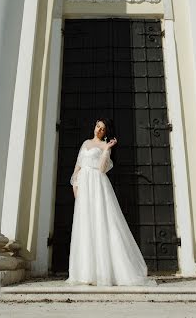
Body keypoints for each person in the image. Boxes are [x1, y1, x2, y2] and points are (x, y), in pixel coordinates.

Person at [67, 118, 155, 286]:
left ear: (106, 132)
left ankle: (104, 272)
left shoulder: (104, 147)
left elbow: (101, 169)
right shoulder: (85, 143)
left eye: (102, 128)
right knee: (85, 226)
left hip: (97, 184)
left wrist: (107, 149)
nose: (99, 130)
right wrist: (75, 185)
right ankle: (85, 272)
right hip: (83, 185)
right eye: (97, 126)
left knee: (101, 222)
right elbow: (78, 166)